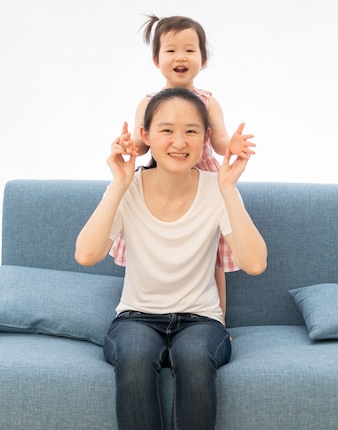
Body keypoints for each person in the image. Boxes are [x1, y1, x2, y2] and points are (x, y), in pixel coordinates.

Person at [75, 87, 267, 430]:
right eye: (166, 130)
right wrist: (118, 183)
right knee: (133, 356)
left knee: (193, 357)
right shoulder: (128, 187)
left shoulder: (215, 187)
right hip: (136, 319)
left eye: (191, 131)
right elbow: (86, 254)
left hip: (201, 321)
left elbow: (255, 264)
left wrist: (229, 189)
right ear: (146, 135)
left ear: (206, 137)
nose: (179, 142)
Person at [109, 15, 255, 324]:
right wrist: (127, 145)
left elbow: (217, 141)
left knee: (211, 260)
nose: (180, 57)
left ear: (203, 60)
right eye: (171, 50)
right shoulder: (149, 102)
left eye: (190, 50)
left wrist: (234, 145)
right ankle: (144, 311)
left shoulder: (207, 101)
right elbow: (142, 143)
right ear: (156, 60)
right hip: (163, 178)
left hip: (202, 180)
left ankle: (217, 322)